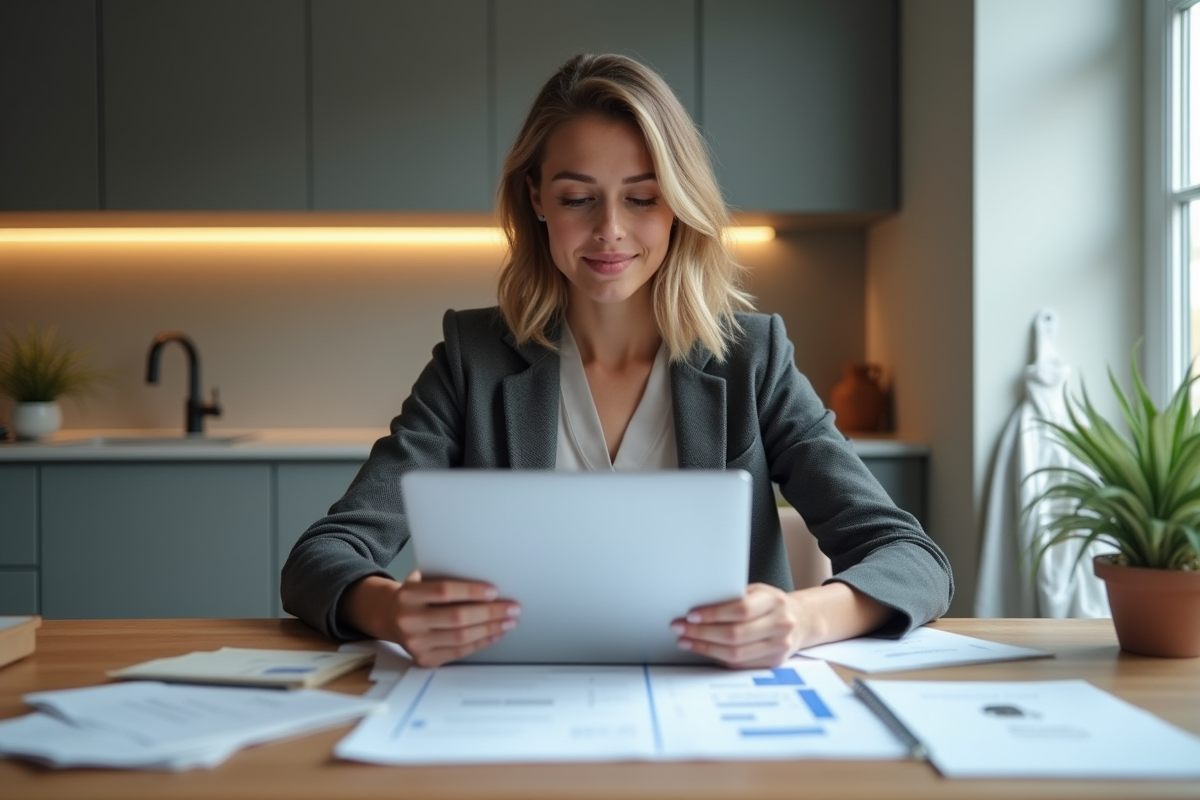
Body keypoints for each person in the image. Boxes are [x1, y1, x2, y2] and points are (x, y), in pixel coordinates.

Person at [282, 53, 953, 669]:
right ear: (537, 199)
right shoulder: (472, 358)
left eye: (641, 196)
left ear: (679, 206)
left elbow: (914, 560)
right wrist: (391, 608)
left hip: (716, 711)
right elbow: (320, 558)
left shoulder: (754, 359)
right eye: (578, 198)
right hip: (512, 705)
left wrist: (801, 617)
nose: (609, 229)